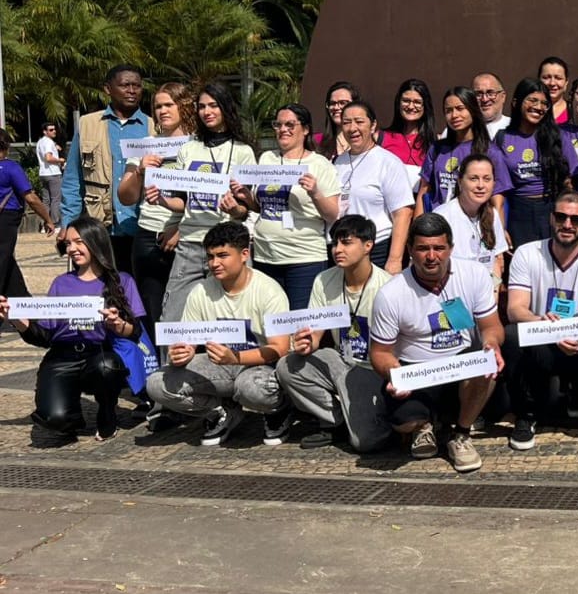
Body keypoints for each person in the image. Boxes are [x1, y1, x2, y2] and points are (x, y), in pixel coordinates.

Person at [368, 213, 503, 469]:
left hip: (459, 366)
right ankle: (422, 425)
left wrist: (491, 344)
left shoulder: (474, 274)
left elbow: (492, 327)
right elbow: (380, 352)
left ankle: (461, 434)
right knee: (401, 420)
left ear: (450, 248)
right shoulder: (391, 293)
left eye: (439, 248)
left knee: (486, 364)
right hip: (416, 372)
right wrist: (392, 372)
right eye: (423, 249)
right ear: (410, 250)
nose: (432, 256)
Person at [146, 223, 293, 447]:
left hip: (262, 367)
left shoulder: (268, 290)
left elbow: (280, 348)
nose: (214, 263)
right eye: (211, 256)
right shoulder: (201, 291)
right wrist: (181, 353)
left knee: (250, 387)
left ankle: (278, 409)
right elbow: (188, 340)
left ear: (245, 254)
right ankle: (221, 412)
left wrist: (236, 358)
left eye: (223, 255)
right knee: (157, 382)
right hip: (221, 365)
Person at [0, 216, 145, 440]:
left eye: (79, 242)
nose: (72, 249)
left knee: (107, 367)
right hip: (62, 357)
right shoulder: (61, 283)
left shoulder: (121, 281)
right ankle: (70, 413)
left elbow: (135, 332)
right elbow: (44, 337)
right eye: (68, 243)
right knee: (53, 420)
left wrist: (118, 324)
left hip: (100, 354)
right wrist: (16, 319)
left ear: (95, 241)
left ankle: (107, 411)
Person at [501, 192, 578, 450]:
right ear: (551, 218)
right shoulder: (527, 253)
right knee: (511, 335)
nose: (567, 224)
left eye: (576, 219)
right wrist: (543, 323)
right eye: (561, 217)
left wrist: (572, 334)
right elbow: (515, 309)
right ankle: (525, 415)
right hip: (543, 333)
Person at [276, 216, 393, 451]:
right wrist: (308, 343)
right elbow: (316, 331)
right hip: (341, 360)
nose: (337, 250)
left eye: (346, 243)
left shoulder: (387, 286)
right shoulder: (324, 279)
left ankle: (376, 419)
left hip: (374, 369)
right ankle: (335, 421)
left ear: (368, 245)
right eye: (334, 244)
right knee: (287, 366)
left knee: (366, 443)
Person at [153, 83, 257, 324]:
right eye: (201, 107)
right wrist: (162, 200)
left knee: (232, 319)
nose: (207, 111)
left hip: (227, 244)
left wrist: (234, 209)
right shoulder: (188, 149)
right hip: (189, 245)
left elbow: (245, 210)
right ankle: (171, 363)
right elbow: (182, 201)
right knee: (172, 319)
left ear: (225, 108)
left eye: (213, 105)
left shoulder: (243, 152)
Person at [236, 104, 341, 310]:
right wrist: (246, 197)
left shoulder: (319, 164)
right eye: (278, 124)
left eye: (290, 124)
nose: (283, 129)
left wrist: (315, 192)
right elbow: (261, 206)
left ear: (306, 129)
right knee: (270, 322)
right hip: (265, 255)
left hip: (303, 258)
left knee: (299, 326)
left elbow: (332, 214)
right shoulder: (267, 158)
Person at [116, 81, 195, 330]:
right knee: (152, 312)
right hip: (148, 236)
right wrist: (139, 171)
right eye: (158, 106)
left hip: (188, 236)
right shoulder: (145, 144)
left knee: (187, 312)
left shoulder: (198, 146)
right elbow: (125, 197)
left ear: (183, 106)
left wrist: (181, 228)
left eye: (169, 104)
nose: (163, 111)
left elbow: (206, 197)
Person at [60, 63, 154, 271]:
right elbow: (73, 180)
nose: (131, 91)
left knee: (138, 295)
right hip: (99, 227)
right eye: (125, 85)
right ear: (107, 88)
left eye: (137, 86)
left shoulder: (153, 127)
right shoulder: (87, 124)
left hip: (141, 228)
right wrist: (69, 223)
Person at [333, 101, 414, 272]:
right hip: (340, 249)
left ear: (373, 125)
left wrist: (394, 260)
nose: (352, 128)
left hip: (375, 251)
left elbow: (403, 214)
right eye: (346, 122)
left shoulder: (388, 162)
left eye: (359, 121)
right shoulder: (337, 163)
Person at [491, 78, 572, 249]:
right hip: (518, 213)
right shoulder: (502, 138)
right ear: (516, 102)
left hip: (552, 210)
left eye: (544, 103)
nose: (539, 107)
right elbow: (499, 190)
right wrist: (500, 228)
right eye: (532, 100)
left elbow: (570, 183)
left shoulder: (557, 137)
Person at [417, 86, 495, 212]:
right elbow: (424, 190)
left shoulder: (489, 151)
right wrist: (418, 226)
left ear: (473, 110)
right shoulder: (437, 148)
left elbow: (497, 201)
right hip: (438, 223)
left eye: (460, 109)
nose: (454, 115)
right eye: (448, 110)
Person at [0, 129, 56, 297]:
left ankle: (22, 299)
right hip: (6, 218)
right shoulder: (10, 168)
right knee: (2, 259)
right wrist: (47, 218)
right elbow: (31, 198)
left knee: (7, 260)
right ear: (7, 146)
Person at [435, 154, 510, 279]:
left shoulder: (492, 215)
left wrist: (493, 294)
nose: (480, 185)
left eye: (487, 179)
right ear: (460, 182)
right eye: (473, 179)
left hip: (484, 290)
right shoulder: (442, 217)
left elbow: (496, 261)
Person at [381, 79, 436, 192]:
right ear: (398, 103)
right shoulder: (381, 137)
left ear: (425, 106)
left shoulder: (436, 142)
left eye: (417, 102)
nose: (411, 106)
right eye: (406, 101)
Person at [316, 81, 359, 161]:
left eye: (343, 103)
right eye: (332, 103)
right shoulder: (317, 141)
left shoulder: (368, 140)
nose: (336, 107)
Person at [36, 121, 64, 217]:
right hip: (53, 173)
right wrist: (60, 160)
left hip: (43, 173)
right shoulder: (48, 142)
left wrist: (55, 146)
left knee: (46, 200)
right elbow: (48, 158)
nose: (54, 131)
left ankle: (45, 224)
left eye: (54, 129)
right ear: (45, 132)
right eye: (51, 130)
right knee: (56, 199)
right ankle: (55, 223)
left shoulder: (40, 142)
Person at [471, 72, 511, 138]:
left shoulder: (516, 129)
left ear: (503, 96)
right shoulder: (461, 131)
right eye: (478, 94)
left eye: (491, 93)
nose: (485, 99)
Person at [538, 56, 571, 125]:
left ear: (566, 82)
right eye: (546, 77)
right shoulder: (529, 109)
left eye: (558, 78)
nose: (552, 83)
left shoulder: (573, 112)